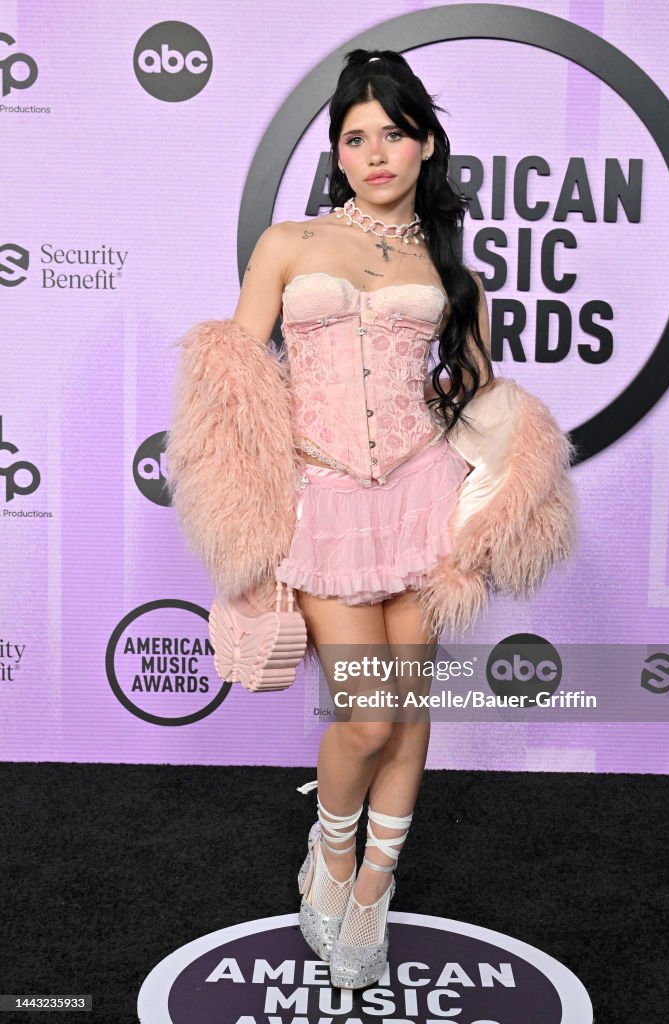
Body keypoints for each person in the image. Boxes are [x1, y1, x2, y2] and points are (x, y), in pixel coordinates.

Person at [230, 49, 493, 990]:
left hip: (425, 494)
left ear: (423, 146)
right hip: (325, 497)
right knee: (367, 715)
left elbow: (480, 403)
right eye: (354, 137)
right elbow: (238, 388)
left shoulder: (448, 267)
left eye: (392, 133)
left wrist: (495, 499)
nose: (374, 152)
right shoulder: (287, 244)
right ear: (337, 154)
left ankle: (374, 886)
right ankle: (329, 855)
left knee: (408, 704)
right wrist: (250, 518)